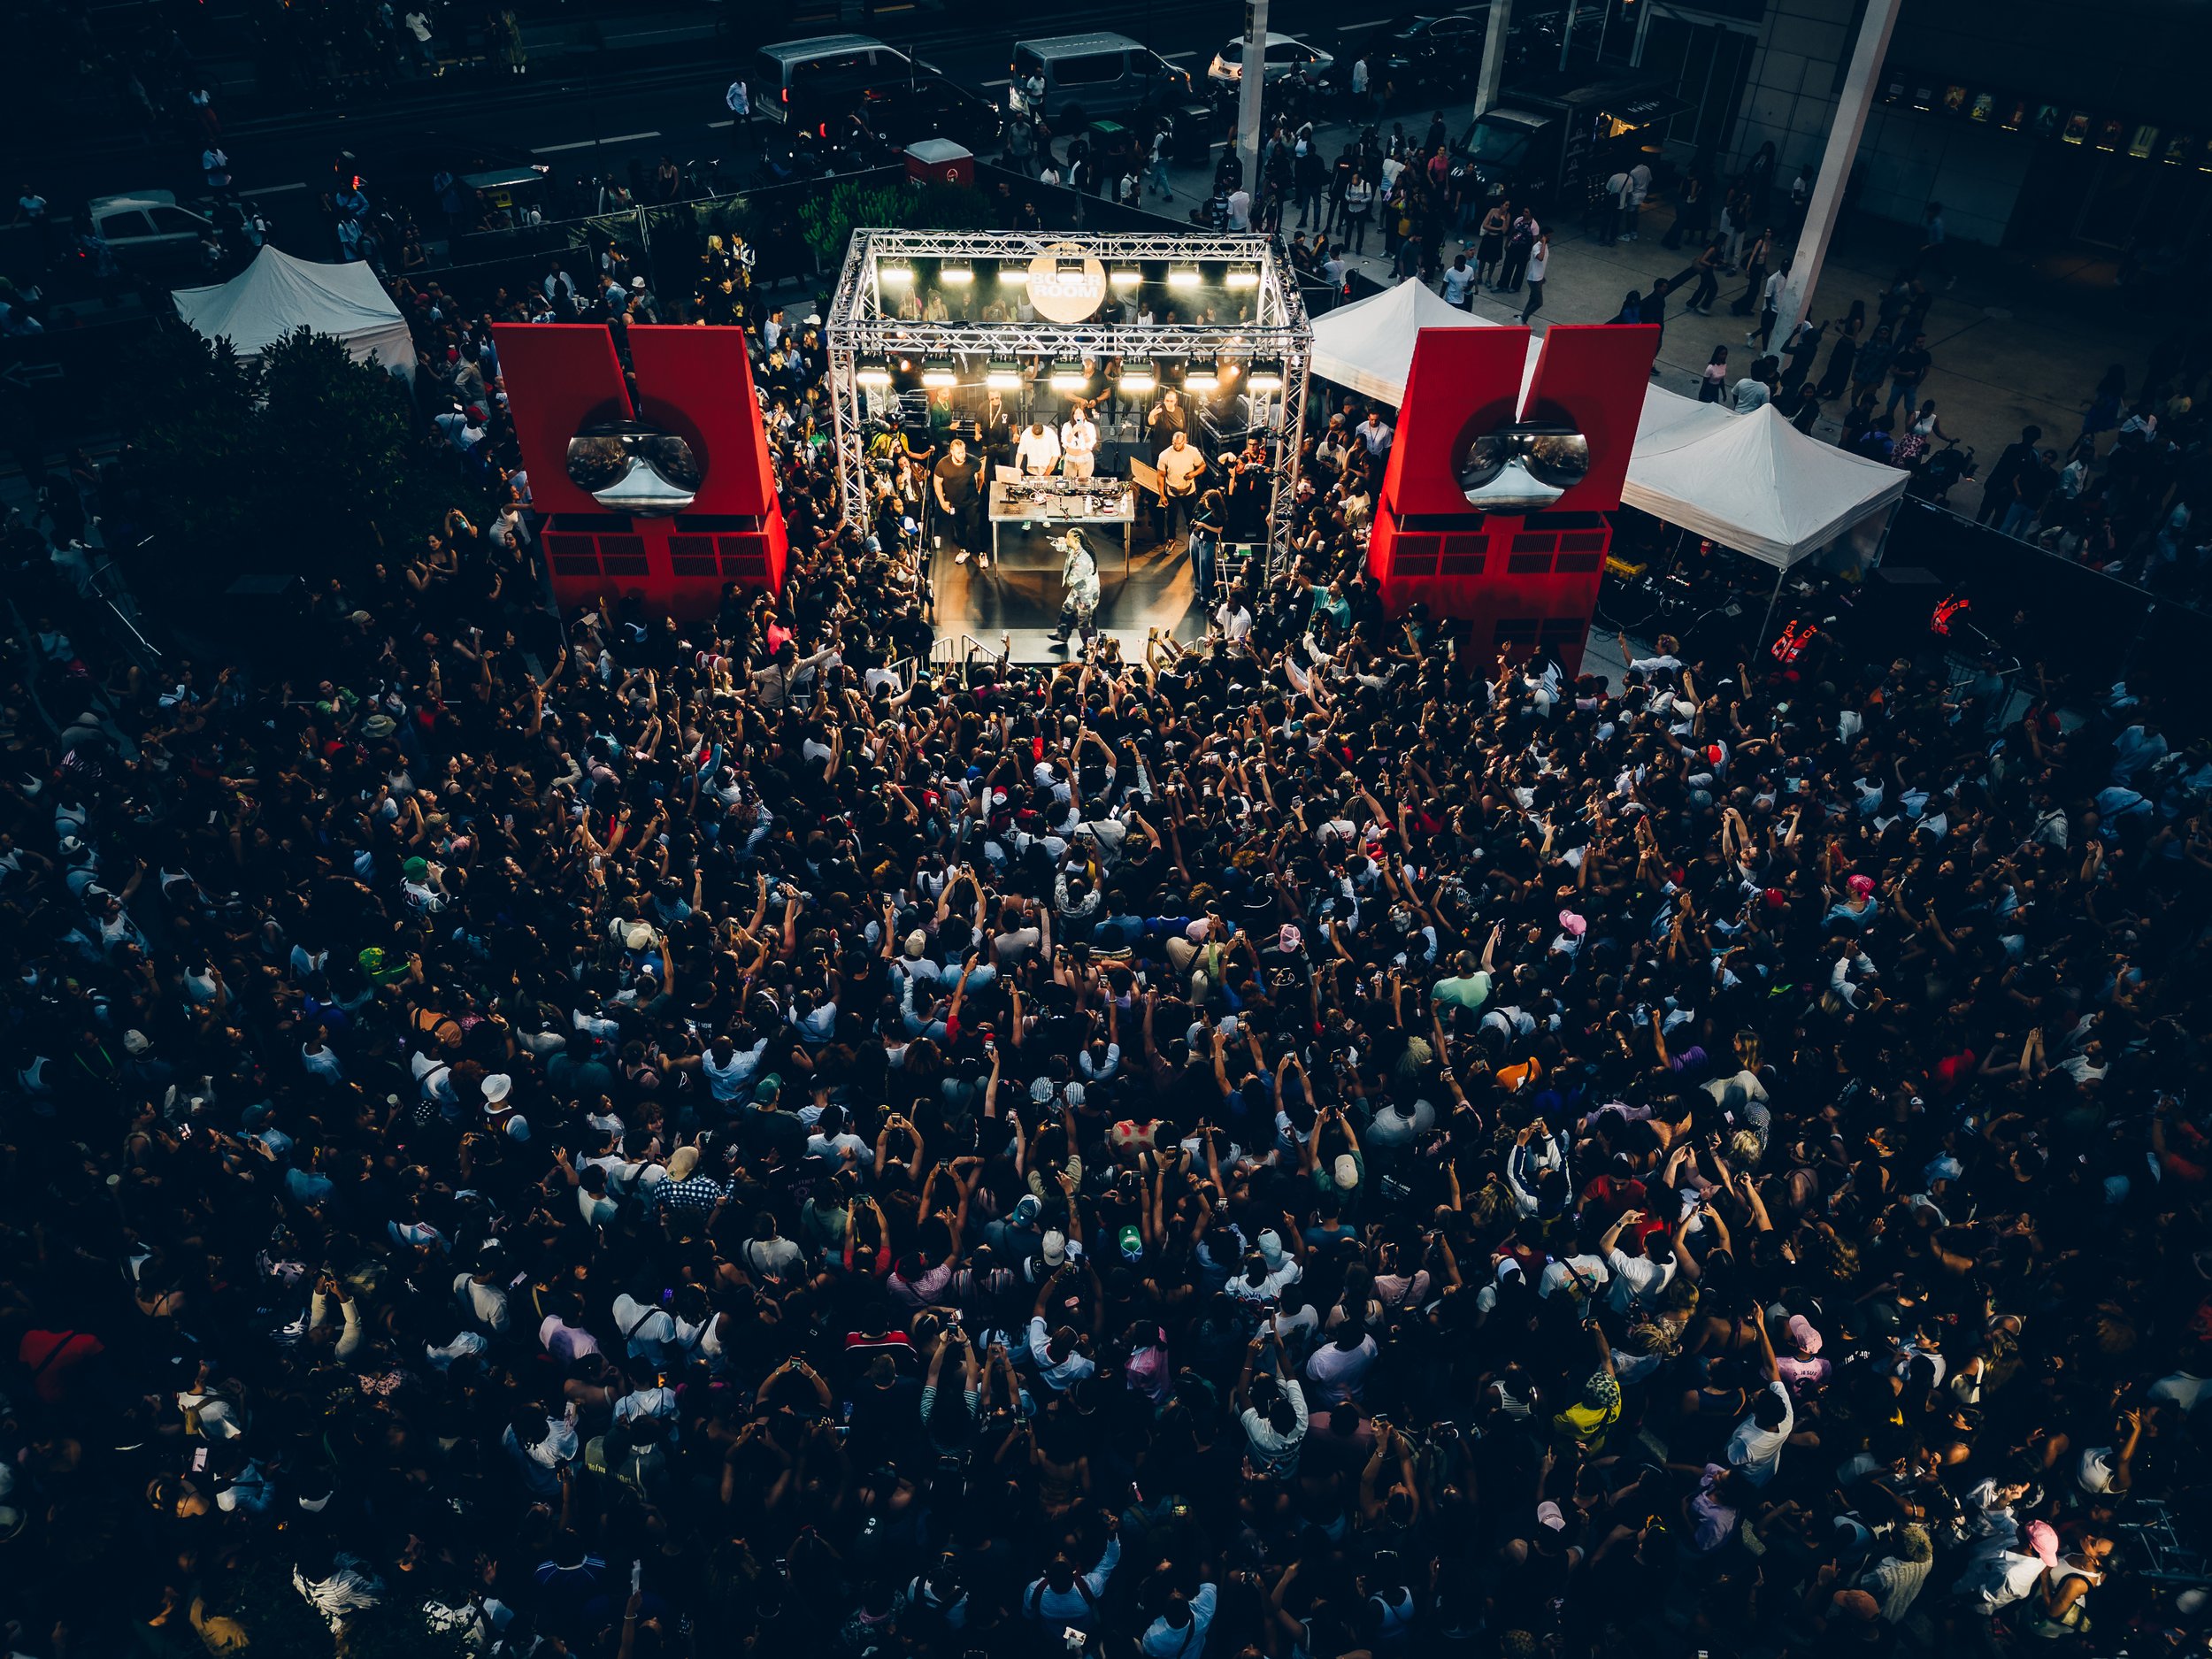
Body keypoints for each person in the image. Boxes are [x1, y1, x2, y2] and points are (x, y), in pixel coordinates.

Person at [933, 434, 984, 568]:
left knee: (976, 527)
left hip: (972, 502)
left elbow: (981, 475)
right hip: (954, 503)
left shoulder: (973, 461)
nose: (962, 455)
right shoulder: (943, 464)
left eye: (963, 452)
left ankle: (981, 552)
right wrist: (942, 501)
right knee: (959, 527)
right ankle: (964, 550)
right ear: (952, 452)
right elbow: (937, 483)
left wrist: (978, 490)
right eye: (959, 453)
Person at [1050, 528, 1100, 647]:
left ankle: (1090, 647)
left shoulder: (1084, 559)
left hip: (1087, 594)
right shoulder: (1077, 549)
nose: (1066, 540)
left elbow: (1072, 580)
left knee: (1084, 622)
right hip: (1080, 589)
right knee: (1067, 607)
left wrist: (1067, 580)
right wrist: (1060, 543)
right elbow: (1068, 549)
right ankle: (1062, 634)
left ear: (1077, 540)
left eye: (1068, 538)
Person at [1517, 230, 1550, 325]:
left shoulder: (1545, 246)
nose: (1549, 238)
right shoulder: (1537, 247)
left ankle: (1523, 317)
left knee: (1532, 299)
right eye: (1548, 236)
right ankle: (1524, 317)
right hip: (1534, 279)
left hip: (1539, 279)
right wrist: (1543, 242)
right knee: (1539, 302)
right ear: (1543, 236)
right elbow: (1540, 258)